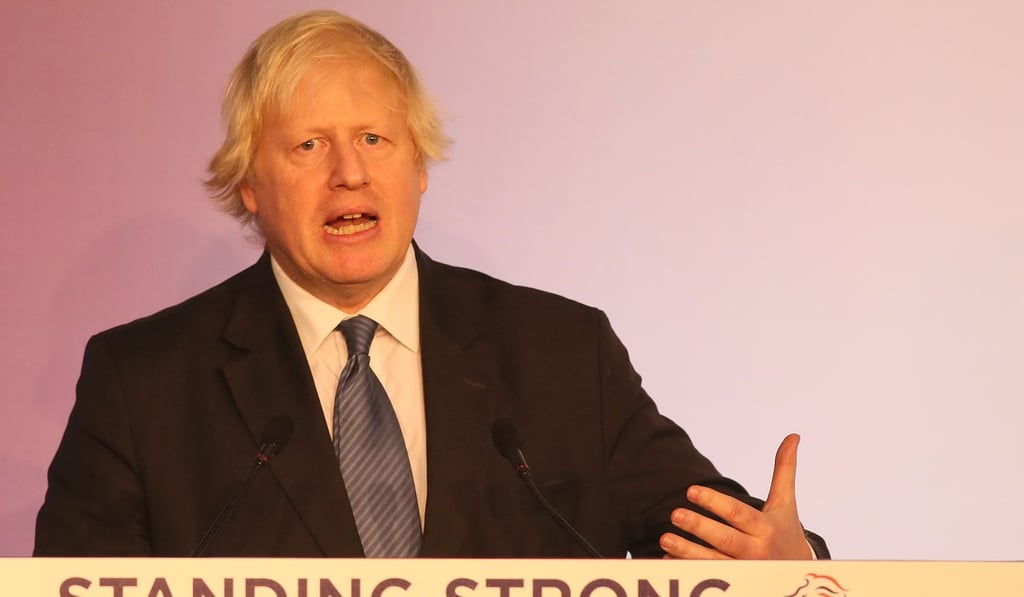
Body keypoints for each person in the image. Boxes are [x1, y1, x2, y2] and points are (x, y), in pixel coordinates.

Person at [34, 10, 828, 559]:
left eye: (374, 138)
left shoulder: (560, 353)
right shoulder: (142, 382)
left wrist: (791, 568)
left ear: (417, 166)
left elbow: (715, 541)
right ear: (249, 183)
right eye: (308, 144)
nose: (348, 173)